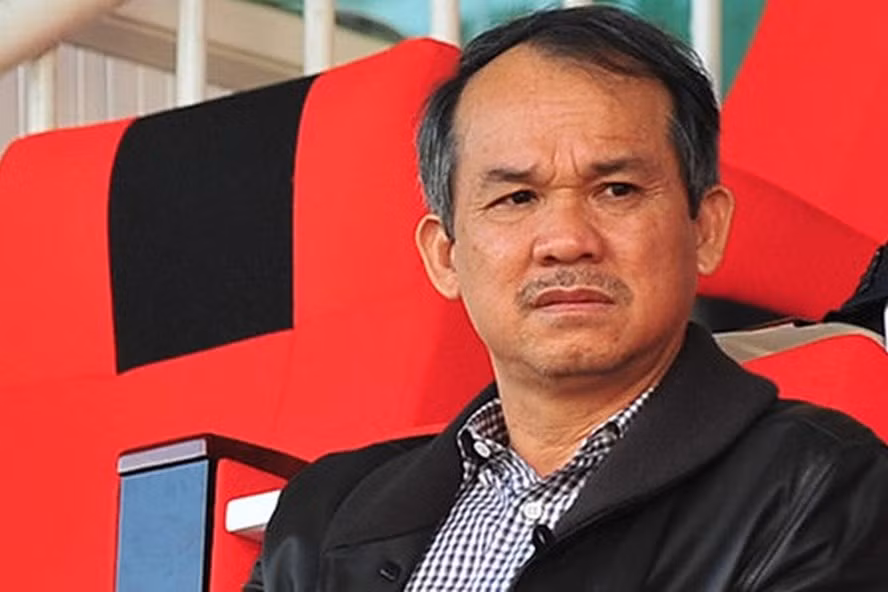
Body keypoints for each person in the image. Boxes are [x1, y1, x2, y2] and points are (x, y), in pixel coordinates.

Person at [245, 6, 888, 591]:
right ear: (445, 256)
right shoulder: (322, 515)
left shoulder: (823, 486)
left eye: (616, 190)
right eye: (516, 198)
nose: (566, 241)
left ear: (705, 229)